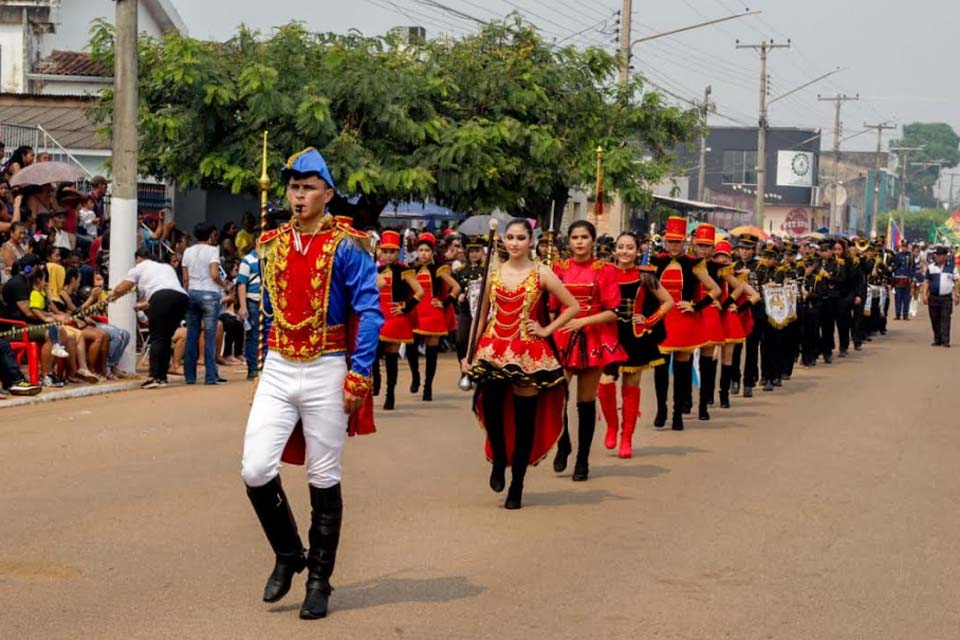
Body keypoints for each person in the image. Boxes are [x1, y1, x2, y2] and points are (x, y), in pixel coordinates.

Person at [241, 148, 383, 620]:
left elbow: (368, 311)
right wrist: (260, 365)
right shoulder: (272, 242)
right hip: (281, 365)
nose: (299, 196)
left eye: (308, 188)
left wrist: (360, 372)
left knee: (324, 474)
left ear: (328, 194)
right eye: (293, 187)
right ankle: (288, 552)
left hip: (327, 366)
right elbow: (265, 313)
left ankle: (319, 579)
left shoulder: (349, 244)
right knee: (255, 468)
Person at [467, 218, 579, 508]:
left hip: (528, 352)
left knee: (525, 418)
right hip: (492, 348)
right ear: (502, 240)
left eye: (520, 238)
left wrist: (545, 330)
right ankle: (499, 457)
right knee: (491, 409)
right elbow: (480, 317)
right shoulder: (493, 272)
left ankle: (517, 484)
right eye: (510, 237)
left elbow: (573, 306)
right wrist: (469, 354)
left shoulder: (542, 273)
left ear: (531, 241)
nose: (514, 243)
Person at [551, 220, 626, 480]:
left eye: (584, 237)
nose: (579, 242)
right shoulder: (558, 268)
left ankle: (582, 460)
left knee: (585, 401)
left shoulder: (606, 270)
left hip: (593, 336)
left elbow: (613, 311)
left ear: (593, 241)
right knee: (556, 394)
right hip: (562, 336)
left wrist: (583, 321)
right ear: (568, 241)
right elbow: (551, 306)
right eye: (575, 237)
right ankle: (563, 441)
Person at [596, 233, 673, 458]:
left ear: (637, 250)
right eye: (621, 247)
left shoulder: (646, 276)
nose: (625, 251)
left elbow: (668, 301)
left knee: (631, 386)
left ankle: (626, 437)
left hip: (636, 336)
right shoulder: (605, 272)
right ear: (614, 250)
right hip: (610, 334)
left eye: (630, 248)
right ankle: (611, 425)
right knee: (605, 382)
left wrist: (649, 320)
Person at [648, 217, 721, 431]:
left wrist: (696, 307)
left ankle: (677, 413)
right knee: (660, 368)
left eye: (677, 242)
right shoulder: (655, 261)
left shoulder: (693, 264)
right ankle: (661, 409)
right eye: (670, 241)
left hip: (684, 320)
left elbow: (715, 289)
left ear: (685, 242)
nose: (673, 246)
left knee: (682, 369)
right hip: (662, 319)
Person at [109, 248, 189, 388]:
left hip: (162, 298)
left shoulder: (139, 267)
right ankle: (162, 376)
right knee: (166, 338)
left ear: (139, 258)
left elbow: (123, 287)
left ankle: (155, 377)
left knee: (158, 338)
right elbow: (166, 289)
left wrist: (111, 296)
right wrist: (146, 304)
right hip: (181, 299)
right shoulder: (166, 267)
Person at [376, 229, 424, 410]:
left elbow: (420, 292)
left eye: (392, 252)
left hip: (396, 319)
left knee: (391, 358)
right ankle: (377, 380)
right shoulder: (376, 269)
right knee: (373, 353)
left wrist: (406, 307)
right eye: (385, 251)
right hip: (378, 317)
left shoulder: (405, 271)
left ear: (398, 252)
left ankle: (390, 395)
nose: (388, 255)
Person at [409, 232, 460, 401]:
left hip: (433, 314)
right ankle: (415, 376)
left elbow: (456, 288)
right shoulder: (412, 269)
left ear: (432, 252)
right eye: (421, 250)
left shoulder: (439, 270)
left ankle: (428, 387)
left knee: (431, 353)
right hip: (416, 313)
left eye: (426, 250)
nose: (423, 253)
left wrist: (444, 303)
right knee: (410, 348)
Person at [182, 222, 229, 385]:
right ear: (210, 235)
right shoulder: (212, 251)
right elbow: (215, 274)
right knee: (210, 336)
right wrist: (225, 285)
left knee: (192, 335)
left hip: (192, 292)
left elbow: (185, 279)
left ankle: (190, 376)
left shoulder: (187, 251)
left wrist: (186, 293)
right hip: (210, 293)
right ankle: (210, 376)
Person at [453, 235, 486, 389]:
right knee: (461, 340)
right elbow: (455, 288)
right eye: (471, 251)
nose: (474, 254)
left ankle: (478, 370)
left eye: (477, 250)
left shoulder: (487, 270)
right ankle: (464, 367)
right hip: (466, 310)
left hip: (483, 312)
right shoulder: (460, 270)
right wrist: (459, 295)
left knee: (479, 341)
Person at [922, 245, 959, 347]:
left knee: (946, 318)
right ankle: (937, 339)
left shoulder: (951, 267)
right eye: (936, 255)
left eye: (940, 255)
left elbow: (956, 281)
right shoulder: (931, 267)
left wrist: (957, 294)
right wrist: (924, 295)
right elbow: (926, 282)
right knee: (934, 318)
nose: (937, 257)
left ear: (945, 256)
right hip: (933, 297)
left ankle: (945, 340)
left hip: (946, 298)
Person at [237, 243, 263, 380]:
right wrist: (243, 306)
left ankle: (264, 366)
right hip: (253, 301)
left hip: (267, 302)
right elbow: (241, 283)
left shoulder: (271, 257)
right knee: (253, 335)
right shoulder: (247, 260)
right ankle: (253, 367)